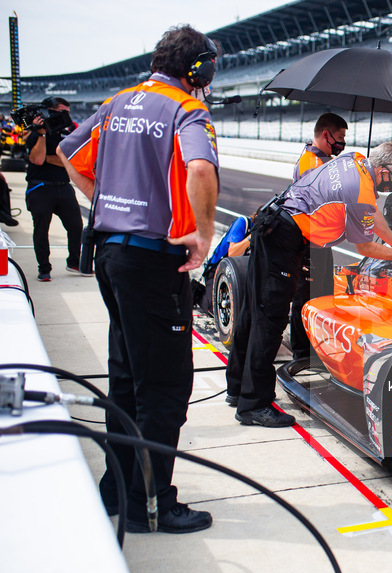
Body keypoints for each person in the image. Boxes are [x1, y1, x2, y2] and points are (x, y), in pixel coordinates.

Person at [58, 25, 220, 534]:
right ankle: (153, 503)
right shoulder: (187, 109)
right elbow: (198, 168)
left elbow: (66, 150)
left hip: (109, 255)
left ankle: (116, 487)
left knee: (126, 377)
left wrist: (103, 201)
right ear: (198, 69)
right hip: (153, 262)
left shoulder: (118, 102)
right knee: (166, 387)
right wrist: (202, 233)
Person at [226, 140, 392, 427]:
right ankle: (253, 405)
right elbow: (366, 248)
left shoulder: (356, 160)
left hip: (274, 223)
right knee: (269, 319)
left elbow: (372, 214)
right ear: (384, 171)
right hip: (285, 237)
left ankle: (237, 389)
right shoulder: (360, 190)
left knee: (252, 312)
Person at [290, 112, 348, 361]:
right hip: (310, 241)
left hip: (320, 241)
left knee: (322, 295)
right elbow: (322, 205)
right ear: (326, 135)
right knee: (308, 298)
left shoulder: (321, 162)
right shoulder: (312, 164)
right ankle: (303, 354)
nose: (343, 142)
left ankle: (315, 351)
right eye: (341, 137)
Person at [24, 97, 84, 280]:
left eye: (67, 112)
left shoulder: (70, 130)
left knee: (76, 226)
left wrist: (54, 158)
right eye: (62, 112)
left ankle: (74, 261)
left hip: (63, 186)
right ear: (50, 111)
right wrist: (41, 134)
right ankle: (44, 269)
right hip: (40, 187)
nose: (65, 116)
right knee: (41, 229)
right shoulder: (35, 132)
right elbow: (39, 159)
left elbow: (73, 161)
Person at [195, 212, 254, 313]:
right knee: (214, 308)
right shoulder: (243, 222)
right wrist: (251, 237)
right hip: (218, 269)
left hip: (240, 273)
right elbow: (233, 252)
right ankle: (199, 294)